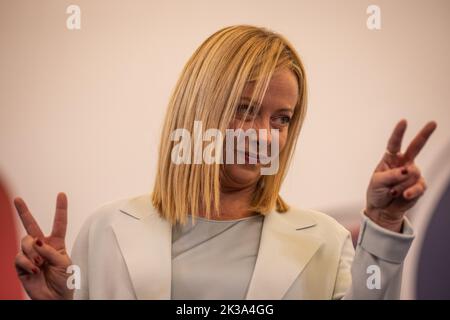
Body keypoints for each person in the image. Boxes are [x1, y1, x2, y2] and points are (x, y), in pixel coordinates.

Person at [13, 25, 437, 300]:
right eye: (245, 109)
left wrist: (382, 221)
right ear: (199, 109)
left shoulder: (325, 240)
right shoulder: (107, 229)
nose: (264, 135)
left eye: (281, 119)